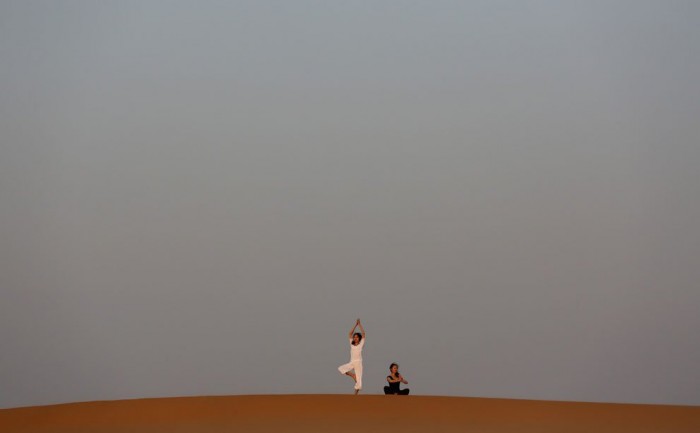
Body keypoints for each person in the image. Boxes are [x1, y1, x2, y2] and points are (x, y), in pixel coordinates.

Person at [338, 318, 365, 395]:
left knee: (359, 381)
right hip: (352, 362)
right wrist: (355, 325)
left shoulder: (361, 344)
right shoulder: (351, 344)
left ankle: (355, 394)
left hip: (358, 363)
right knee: (341, 368)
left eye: (357, 337)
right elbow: (350, 334)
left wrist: (359, 325)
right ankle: (353, 375)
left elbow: (363, 334)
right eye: (354, 337)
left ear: (359, 338)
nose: (355, 338)